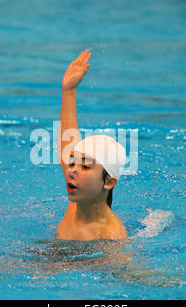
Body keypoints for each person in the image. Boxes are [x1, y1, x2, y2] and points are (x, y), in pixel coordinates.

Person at [55, 49, 128, 241]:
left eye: (86, 166)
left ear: (109, 182)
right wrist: (69, 90)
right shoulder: (80, 198)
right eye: (72, 163)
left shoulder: (110, 236)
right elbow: (67, 139)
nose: (72, 171)